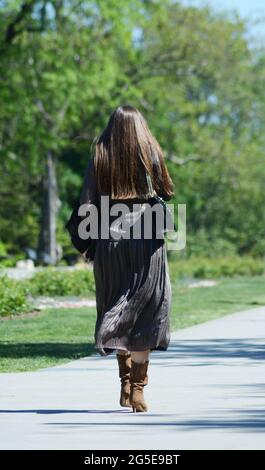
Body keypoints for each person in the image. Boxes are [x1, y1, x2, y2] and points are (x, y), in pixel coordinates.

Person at [77, 105, 174, 412]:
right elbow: (167, 191)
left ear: (111, 127)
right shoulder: (151, 153)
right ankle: (139, 390)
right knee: (148, 310)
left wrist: (86, 242)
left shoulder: (100, 156)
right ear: (141, 127)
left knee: (117, 306)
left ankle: (124, 385)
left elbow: (86, 204)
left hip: (111, 238)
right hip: (146, 238)